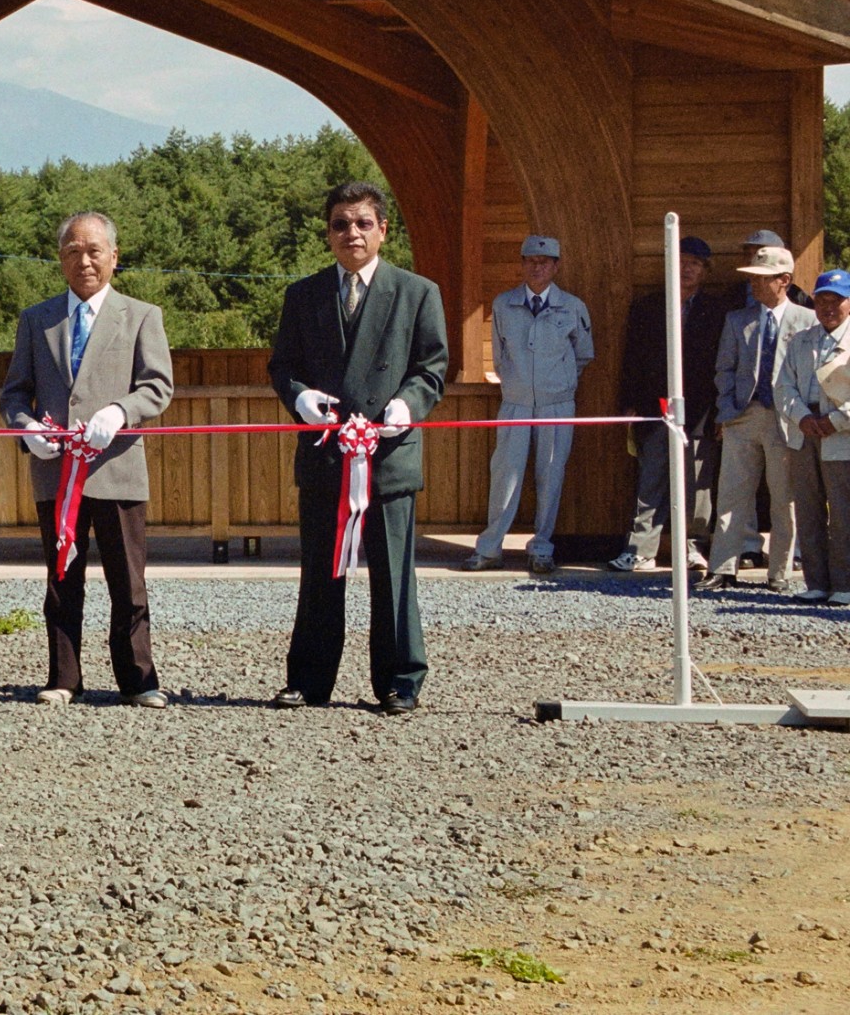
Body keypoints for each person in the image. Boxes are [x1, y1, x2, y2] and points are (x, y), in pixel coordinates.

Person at [267, 181, 447, 714]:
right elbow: (283, 367)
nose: (353, 233)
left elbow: (432, 367)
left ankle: (400, 681)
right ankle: (309, 680)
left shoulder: (417, 292)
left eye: (363, 223)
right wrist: (298, 399)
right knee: (321, 574)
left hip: (388, 456)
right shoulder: (303, 295)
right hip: (326, 455)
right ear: (327, 234)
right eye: (341, 224)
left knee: (393, 576)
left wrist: (407, 405)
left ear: (383, 230)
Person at [0, 211, 174, 708]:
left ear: (114, 257)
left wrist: (121, 411)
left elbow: (158, 387)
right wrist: (26, 428)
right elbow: (14, 394)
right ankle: (63, 678)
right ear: (60, 259)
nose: (84, 260)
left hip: (117, 468)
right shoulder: (37, 320)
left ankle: (138, 679)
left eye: (94, 250)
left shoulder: (142, 315)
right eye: (73, 251)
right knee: (61, 582)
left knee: (129, 582)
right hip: (55, 473)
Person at [465, 236, 594, 574]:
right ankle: (490, 547)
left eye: (545, 261)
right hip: (516, 403)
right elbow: (500, 353)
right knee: (505, 474)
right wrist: (515, 383)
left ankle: (541, 548)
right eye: (531, 260)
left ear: (556, 266)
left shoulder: (572, 306)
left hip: (557, 404)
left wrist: (560, 382)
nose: (538, 266)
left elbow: (583, 354)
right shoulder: (503, 304)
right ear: (522, 264)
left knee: (551, 475)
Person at [607, 236, 728, 573]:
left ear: (705, 271)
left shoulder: (717, 311)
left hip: (702, 407)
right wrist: (629, 402)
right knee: (652, 478)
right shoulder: (648, 307)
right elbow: (631, 357)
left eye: (695, 263)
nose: (687, 268)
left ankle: (692, 547)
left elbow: (724, 363)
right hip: (654, 405)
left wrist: (720, 411)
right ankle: (641, 549)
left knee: (698, 482)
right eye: (681, 260)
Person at [705, 245, 815, 590]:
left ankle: (779, 572)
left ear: (784, 281)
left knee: (785, 498)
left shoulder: (806, 320)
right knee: (732, 495)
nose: (753, 285)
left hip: (788, 419)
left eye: (762, 279)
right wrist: (727, 412)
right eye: (752, 278)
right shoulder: (738, 320)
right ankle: (722, 568)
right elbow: (724, 369)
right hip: (744, 416)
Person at [774, 268, 850, 606]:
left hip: (842, 436)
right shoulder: (802, 340)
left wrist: (837, 419)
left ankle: (845, 584)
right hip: (805, 435)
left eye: (837, 300)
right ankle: (816, 581)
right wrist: (802, 417)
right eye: (822, 300)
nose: (828, 307)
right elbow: (783, 386)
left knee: (844, 513)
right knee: (808, 509)